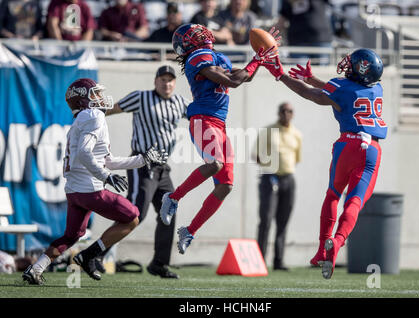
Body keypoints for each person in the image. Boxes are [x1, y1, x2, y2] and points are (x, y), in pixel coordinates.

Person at [22, 78, 167, 285]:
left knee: (71, 236)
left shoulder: (82, 119)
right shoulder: (93, 115)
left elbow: (107, 160)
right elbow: (84, 153)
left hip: (74, 192)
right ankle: (89, 255)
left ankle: (36, 269)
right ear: (83, 100)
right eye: (95, 94)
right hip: (89, 189)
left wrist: (142, 159)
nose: (100, 98)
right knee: (132, 216)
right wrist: (105, 176)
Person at [263, 48, 387, 279]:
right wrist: (312, 78)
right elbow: (341, 92)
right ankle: (337, 243)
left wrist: (281, 75)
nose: (347, 65)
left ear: (361, 69)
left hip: (346, 145)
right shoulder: (376, 88)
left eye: (352, 64)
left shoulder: (342, 86)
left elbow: (312, 94)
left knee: (333, 195)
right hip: (371, 150)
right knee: (355, 202)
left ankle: (322, 249)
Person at [159, 23, 279, 255]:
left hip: (219, 124)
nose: (197, 35)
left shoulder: (214, 57)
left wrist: (261, 58)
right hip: (203, 118)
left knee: (225, 186)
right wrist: (256, 59)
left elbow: (245, 77)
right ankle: (173, 198)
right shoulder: (197, 57)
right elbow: (234, 81)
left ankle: (189, 230)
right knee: (214, 164)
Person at [104, 65, 190, 279]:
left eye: (170, 80)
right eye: (163, 79)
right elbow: (113, 109)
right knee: (135, 214)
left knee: (168, 212)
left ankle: (159, 263)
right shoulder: (141, 98)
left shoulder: (179, 102)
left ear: (175, 83)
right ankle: (97, 253)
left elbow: (199, 115)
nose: (166, 83)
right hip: (142, 164)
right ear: (155, 81)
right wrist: (89, 115)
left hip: (163, 168)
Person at [254, 102, 302, 271]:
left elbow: (296, 159)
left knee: (283, 221)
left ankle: (278, 261)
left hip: (288, 179)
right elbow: (256, 156)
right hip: (270, 178)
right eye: (283, 111)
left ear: (293, 114)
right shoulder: (268, 131)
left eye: (290, 111)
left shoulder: (296, 134)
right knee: (266, 220)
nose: (286, 114)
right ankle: (259, 260)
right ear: (279, 113)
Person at [276, 0, 333, 64]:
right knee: (300, 72)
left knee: (322, 72)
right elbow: (281, 22)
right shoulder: (286, 2)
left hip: (320, 39)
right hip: (298, 41)